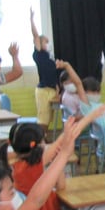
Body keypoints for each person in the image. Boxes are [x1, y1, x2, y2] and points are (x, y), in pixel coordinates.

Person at [30, 7, 59, 136]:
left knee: (49, 119)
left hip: (52, 90)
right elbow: (36, 36)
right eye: (45, 42)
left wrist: (58, 90)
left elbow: (54, 75)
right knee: (43, 119)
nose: (47, 44)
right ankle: (40, 140)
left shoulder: (50, 57)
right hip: (43, 90)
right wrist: (31, 19)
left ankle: (44, 138)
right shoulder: (38, 54)